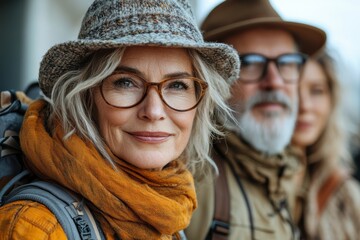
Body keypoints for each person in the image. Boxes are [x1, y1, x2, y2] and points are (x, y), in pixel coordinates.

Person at [0, 0, 240, 239]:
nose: (154, 111)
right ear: (84, 96)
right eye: (126, 82)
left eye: (177, 85)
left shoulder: (167, 208)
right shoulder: (36, 227)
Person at [185, 0, 326, 239]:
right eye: (249, 64)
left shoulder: (291, 176)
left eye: (287, 63)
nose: (275, 81)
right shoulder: (191, 181)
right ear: (210, 78)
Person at [291, 50, 360, 240]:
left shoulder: (344, 195)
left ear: (332, 100)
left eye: (316, 91)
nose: (305, 105)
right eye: (293, 90)